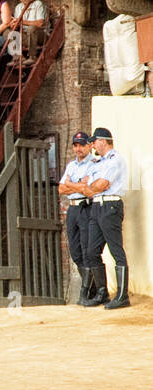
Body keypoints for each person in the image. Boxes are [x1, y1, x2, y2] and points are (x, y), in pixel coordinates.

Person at [80, 126, 130, 308]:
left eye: (94, 141)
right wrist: (91, 186)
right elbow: (86, 185)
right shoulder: (99, 162)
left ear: (103, 141)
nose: (93, 145)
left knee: (116, 250)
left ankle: (123, 296)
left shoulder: (114, 160)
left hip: (110, 205)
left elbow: (100, 184)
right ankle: (103, 292)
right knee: (92, 251)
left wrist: (91, 186)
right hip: (97, 205)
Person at [58, 130, 99, 305]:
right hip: (72, 209)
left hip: (85, 206)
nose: (78, 148)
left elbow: (87, 188)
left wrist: (70, 184)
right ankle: (92, 287)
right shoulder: (71, 165)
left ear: (89, 146)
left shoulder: (94, 163)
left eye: (81, 145)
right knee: (75, 252)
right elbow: (61, 189)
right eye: (75, 145)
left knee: (86, 249)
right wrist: (77, 185)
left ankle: (87, 292)